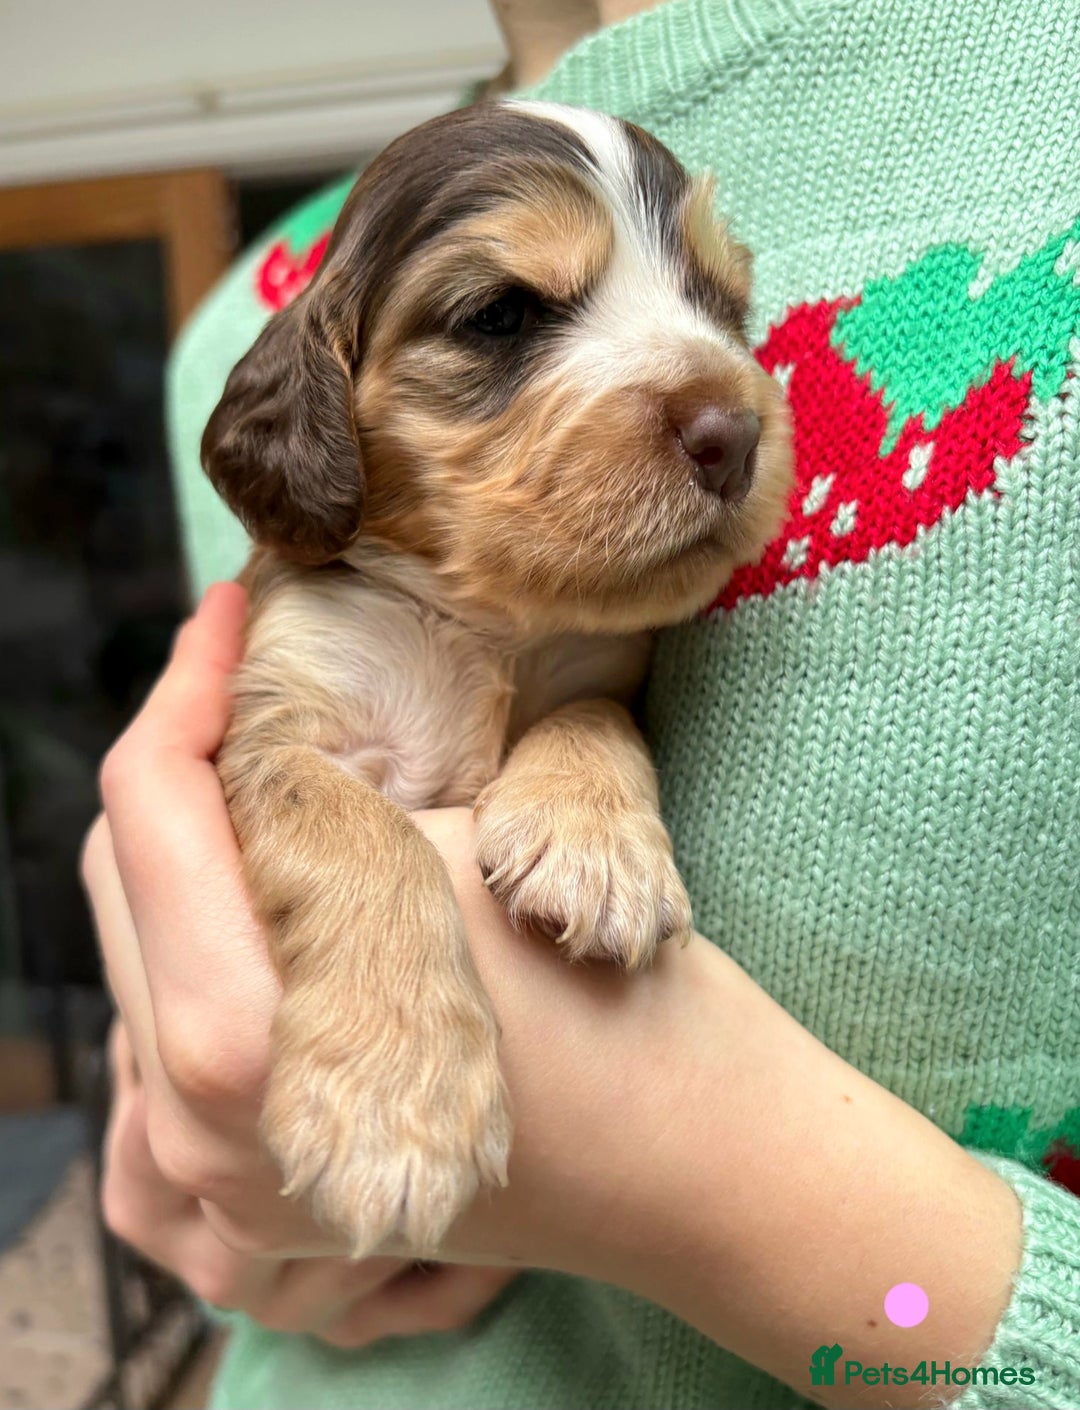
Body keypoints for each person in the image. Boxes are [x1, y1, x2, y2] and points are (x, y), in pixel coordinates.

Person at [81, 0, 1080, 1406]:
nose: (719, 393)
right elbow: (231, 860)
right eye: (506, 315)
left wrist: (668, 1143)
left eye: (724, 310)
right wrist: (175, 1122)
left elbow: (573, 708)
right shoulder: (238, 323)